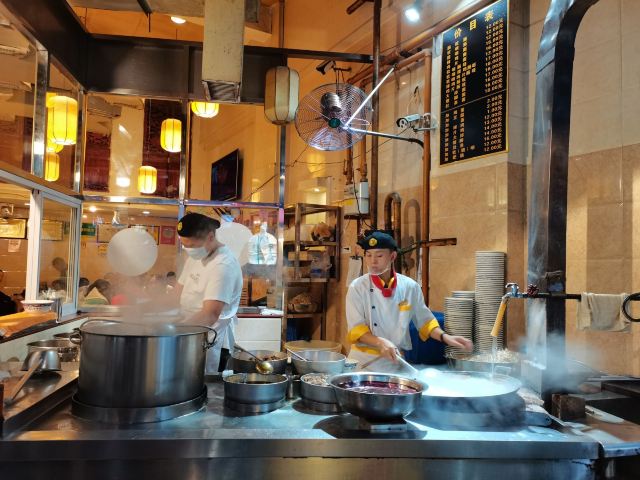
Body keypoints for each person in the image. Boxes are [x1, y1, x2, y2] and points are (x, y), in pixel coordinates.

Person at [346, 231, 473, 373]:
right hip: (363, 363)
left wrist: (446, 337)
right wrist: (380, 342)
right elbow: (357, 329)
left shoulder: (410, 287)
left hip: (395, 362)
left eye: (379, 256)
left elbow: (425, 322)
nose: (372, 261)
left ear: (392, 256)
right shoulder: (357, 287)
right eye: (368, 255)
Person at [174, 213, 243, 373]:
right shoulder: (196, 256)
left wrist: (173, 332)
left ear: (210, 237)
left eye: (192, 245)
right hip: (188, 330)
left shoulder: (223, 265)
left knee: (200, 379)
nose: (189, 250)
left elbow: (210, 315)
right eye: (185, 245)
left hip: (208, 337)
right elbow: (177, 291)